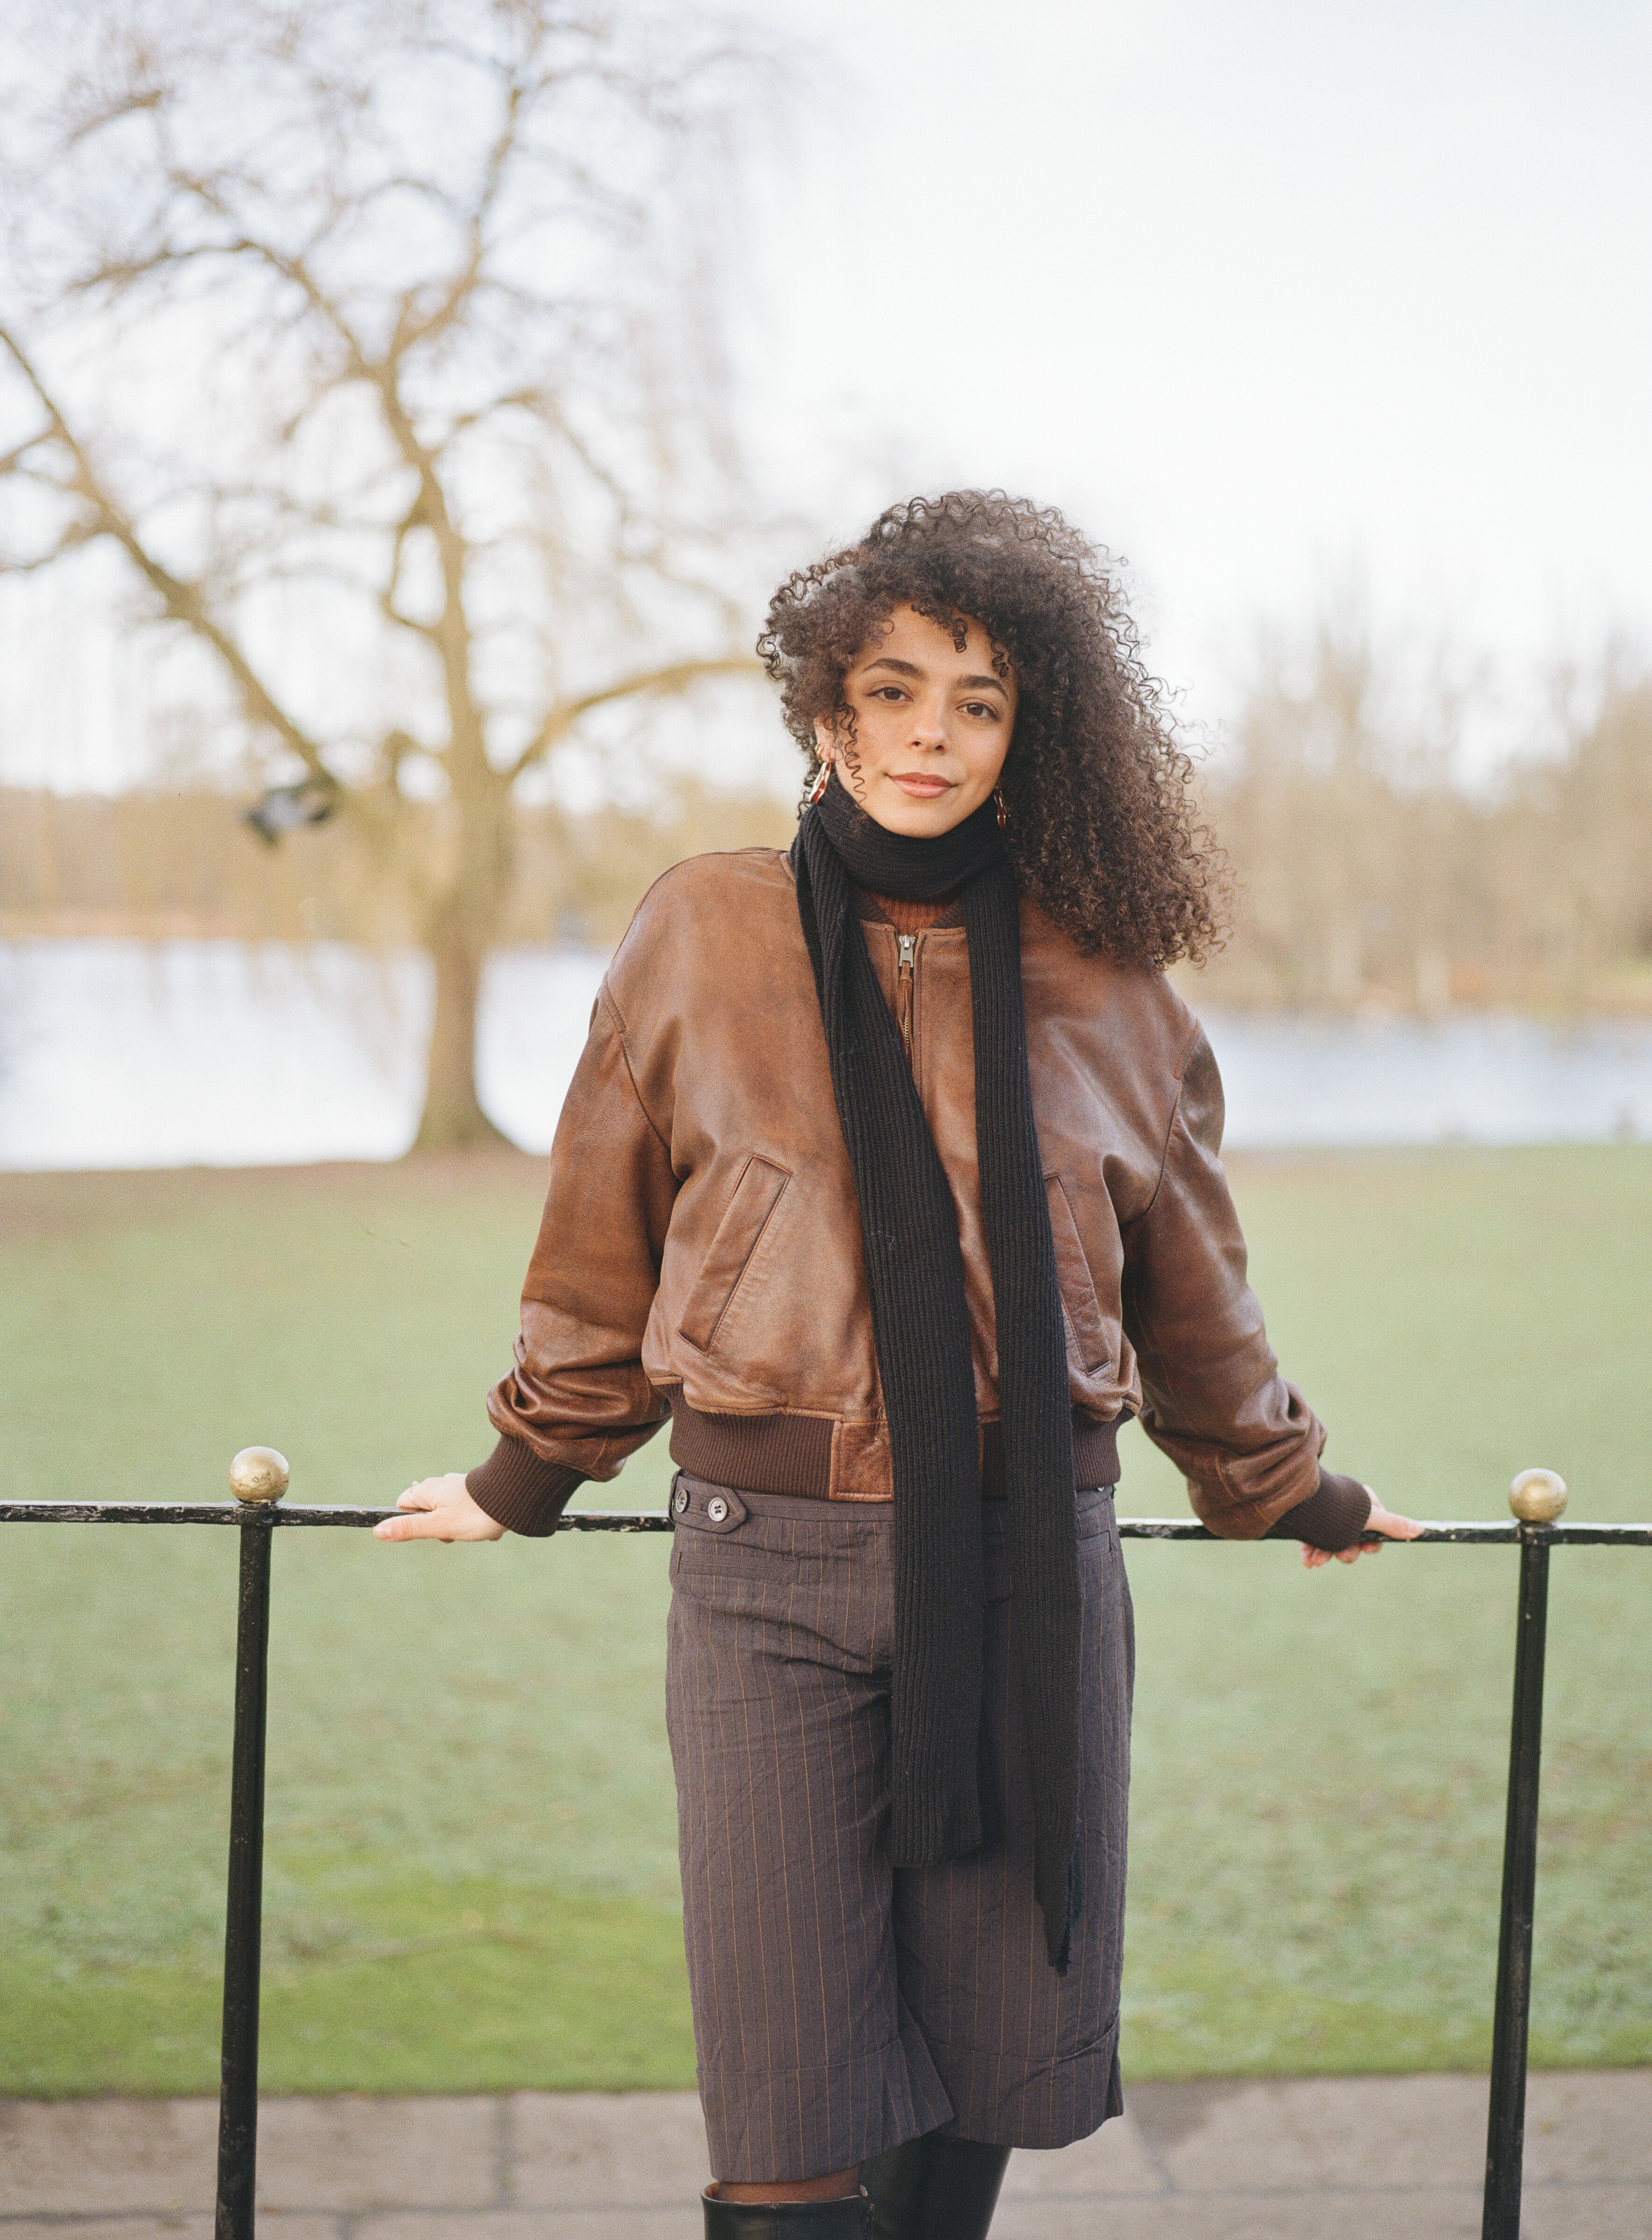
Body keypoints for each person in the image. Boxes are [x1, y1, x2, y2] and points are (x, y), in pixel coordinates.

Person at [376, 492, 1421, 2239]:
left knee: (985, 2070)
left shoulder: (1111, 978)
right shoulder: (702, 934)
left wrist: (1285, 1481)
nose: (932, 733)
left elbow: (1190, 1298)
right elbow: (602, 1239)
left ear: (1032, 736)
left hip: (1034, 1572)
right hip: (765, 1581)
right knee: (779, 2116)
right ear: (825, 712)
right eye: (895, 689)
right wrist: (523, 1474)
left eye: (980, 700)